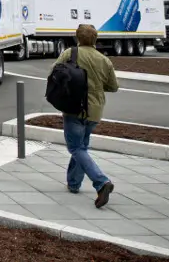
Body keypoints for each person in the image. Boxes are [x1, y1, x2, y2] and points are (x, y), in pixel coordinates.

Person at [54, 24, 119, 208]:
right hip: (95, 111)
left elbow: (54, 72)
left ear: (77, 38)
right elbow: (114, 86)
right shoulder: (104, 60)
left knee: (76, 148)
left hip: (73, 108)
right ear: (95, 39)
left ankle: (101, 182)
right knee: (81, 147)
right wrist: (96, 85)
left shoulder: (69, 54)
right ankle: (74, 184)